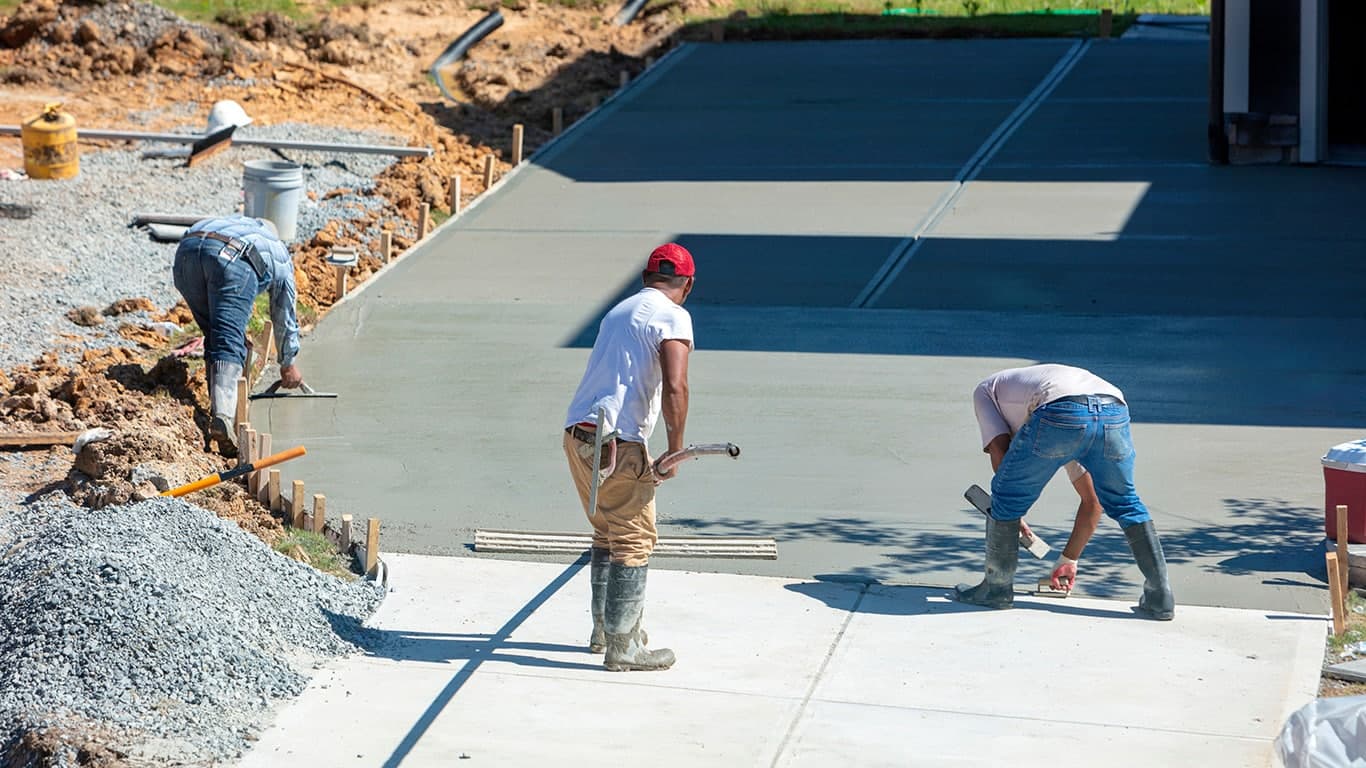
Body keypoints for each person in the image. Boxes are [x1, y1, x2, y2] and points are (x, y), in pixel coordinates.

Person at [563, 242, 696, 671]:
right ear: (687, 285)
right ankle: (624, 647)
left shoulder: (617, 311)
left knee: (606, 531)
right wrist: (676, 451)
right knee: (635, 539)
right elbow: (676, 386)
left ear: (645, 279)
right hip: (618, 444)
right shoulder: (673, 316)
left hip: (579, 435)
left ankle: (604, 631)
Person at [956, 363, 1175, 620]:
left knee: (1006, 498)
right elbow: (1093, 502)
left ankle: (996, 589)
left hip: (1059, 411)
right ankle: (1161, 595)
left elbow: (1000, 453)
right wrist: (1068, 559)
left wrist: (1010, 514)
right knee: (1125, 502)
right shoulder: (1054, 418)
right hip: (1112, 408)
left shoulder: (985, 391)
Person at [173, 214, 302, 458]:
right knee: (227, 341)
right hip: (232, 258)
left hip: (186, 253)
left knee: (216, 333)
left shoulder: (239, 224)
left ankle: (219, 410)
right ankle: (223, 417)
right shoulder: (277, 249)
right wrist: (288, 362)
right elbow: (284, 311)